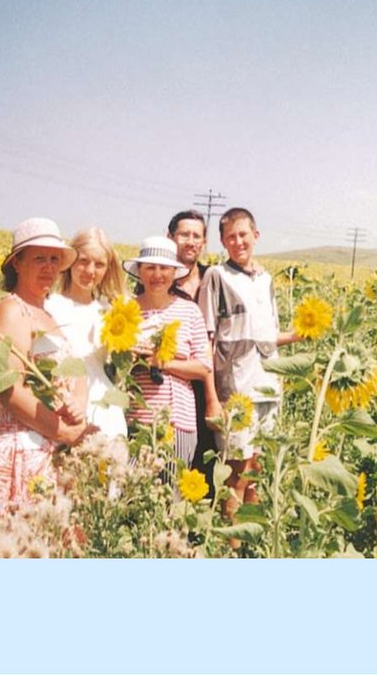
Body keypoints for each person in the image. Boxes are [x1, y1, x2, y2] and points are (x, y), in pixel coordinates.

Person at [0, 217, 94, 534]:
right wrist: (65, 433)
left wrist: (77, 405)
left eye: (54, 259)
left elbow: (76, 373)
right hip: (22, 452)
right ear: (17, 263)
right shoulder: (11, 309)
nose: (49, 267)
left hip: (50, 453)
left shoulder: (48, 314)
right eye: (39, 258)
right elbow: (9, 391)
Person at [197, 208, 301, 522]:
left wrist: (299, 335)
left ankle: (251, 542)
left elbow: (266, 337)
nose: (238, 242)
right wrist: (212, 397)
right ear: (222, 242)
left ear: (256, 235)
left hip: (268, 386)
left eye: (243, 235)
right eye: (231, 237)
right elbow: (206, 338)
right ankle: (231, 544)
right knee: (236, 476)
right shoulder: (217, 276)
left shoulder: (265, 279)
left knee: (257, 471)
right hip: (236, 391)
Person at [123, 236, 212, 480]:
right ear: (139, 271)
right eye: (150, 267)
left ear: (174, 273)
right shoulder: (126, 310)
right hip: (136, 420)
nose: (157, 275)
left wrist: (161, 362)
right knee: (134, 489)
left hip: (179, 421)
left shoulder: (189, 311)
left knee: (172, 490)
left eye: (164, 268)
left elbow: (204, 366)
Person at [45, 227, 128, 439]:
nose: (90, 271)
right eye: (83, 261)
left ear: (108, 268)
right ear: (70, 261)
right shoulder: (49, 306)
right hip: (61, 405)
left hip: (104, 408)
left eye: (99, 264)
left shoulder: (111, 311)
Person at [165, 211, 221, 485]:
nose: (190, 241)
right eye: (184, 234)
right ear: (170, 237)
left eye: (196, 236)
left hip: (217, 383)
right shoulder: (159, 281)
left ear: (204, 242)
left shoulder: (216, 277)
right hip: (175, 388)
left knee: (213, 460)